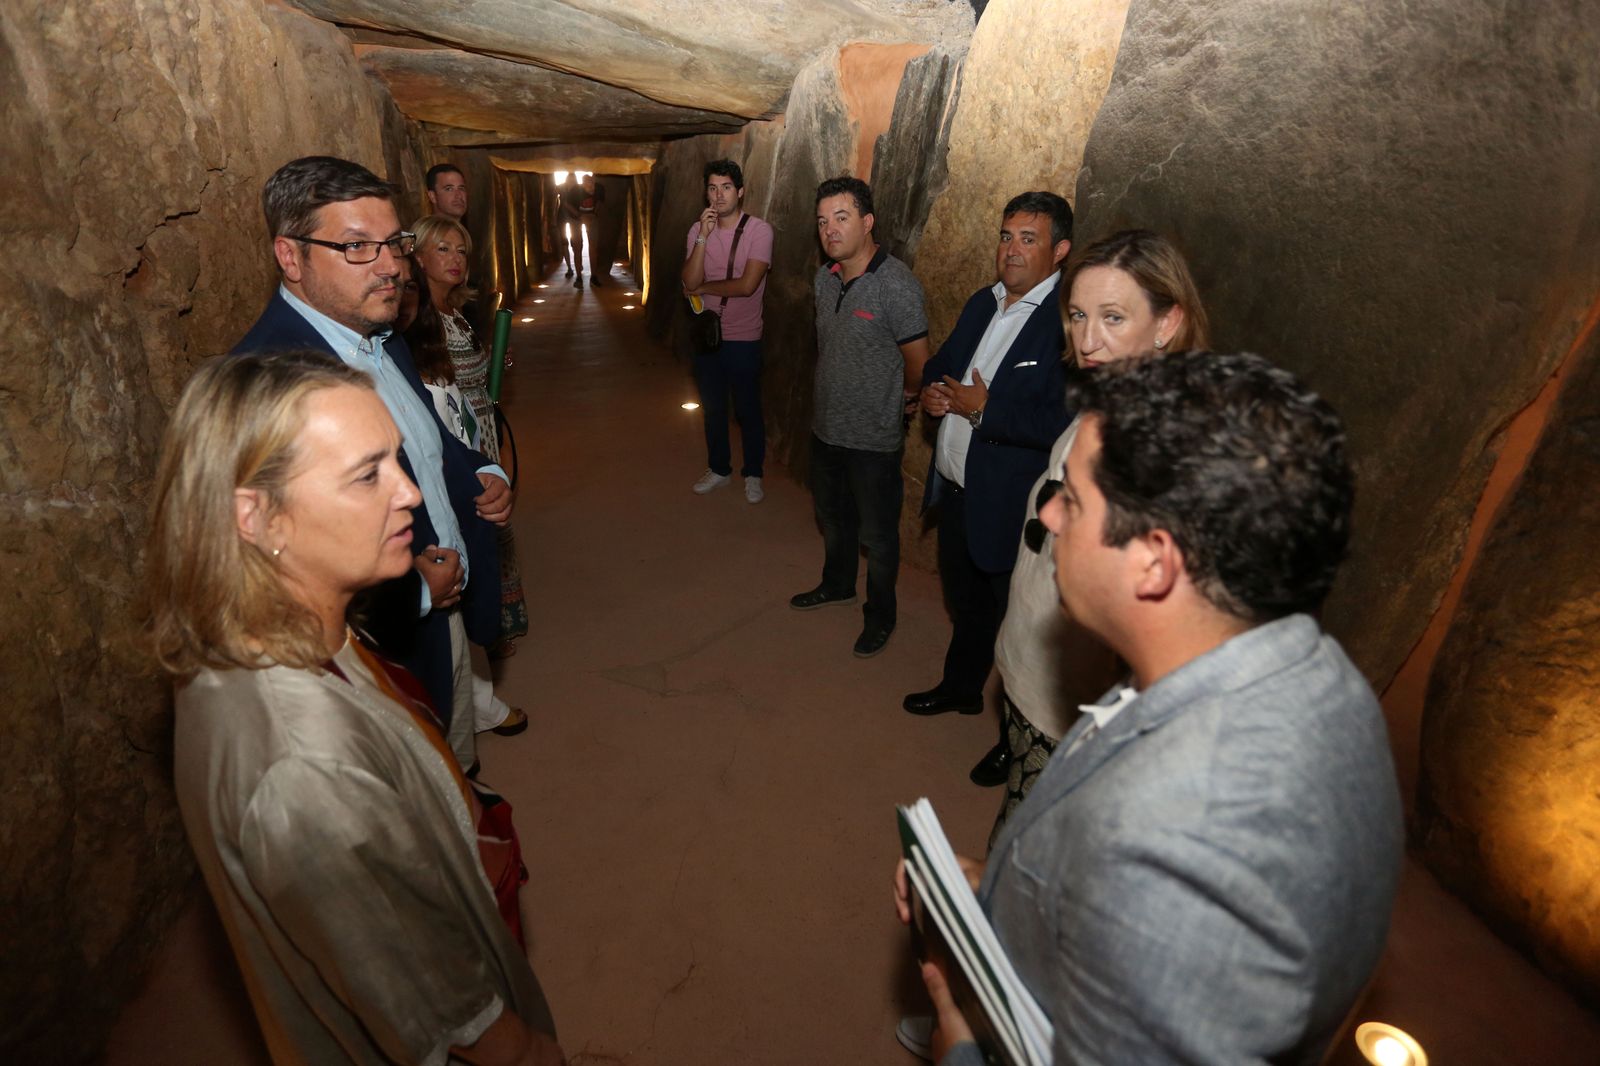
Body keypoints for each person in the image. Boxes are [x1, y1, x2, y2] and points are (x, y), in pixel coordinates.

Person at [896, 350, 1404, 1066]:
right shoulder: (1308, 667)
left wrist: (962, 1050)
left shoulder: (1175, 854)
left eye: (1070, 498)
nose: (1046, 513)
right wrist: (1003, 894)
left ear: (1154, 562)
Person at [144, 350, 563, 1066]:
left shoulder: (287, 631)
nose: (407, 493)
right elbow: (432, 1001)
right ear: (258, 516)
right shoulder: (302, 768)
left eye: (396, 460)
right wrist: (523, 1050)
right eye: (367, 474)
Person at [232, 155, 511, 770]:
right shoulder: (268, 385)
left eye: (394, 243)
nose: (390, 266)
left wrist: (477, 471)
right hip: (381, 654)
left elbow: (423, 438)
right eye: (357, 246)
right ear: (290, 255)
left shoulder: (379, 336)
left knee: (455, 774)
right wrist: (413, 589)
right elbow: (271, 576)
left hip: (444, 612)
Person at [988, 229, 1211, 833]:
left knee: (1028, 853)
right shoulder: (1105, 398)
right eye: (1080, 315)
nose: (1088, 340)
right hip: (1038, 664)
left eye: (1113, 317)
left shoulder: (1161, 446)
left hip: (1075, 702)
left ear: (1168, 322)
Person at [903, 192, 1075, 790]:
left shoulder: (1065, 325)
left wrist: (987, 410)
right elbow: (942, 364)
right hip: (956, 489)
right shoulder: (985, 301)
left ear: (1060, 251)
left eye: (1029, 239)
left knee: (1016, 627)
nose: (1012, 249)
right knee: (967, 604)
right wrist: (932, 394)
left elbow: (1062, 424)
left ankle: (1013, 743)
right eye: (1007, 236)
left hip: (1009, 505)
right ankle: (959, 689)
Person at [792, 176, 930, 658]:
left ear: (868, 222)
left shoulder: (896, 284)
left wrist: (908, 398)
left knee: (878, 535)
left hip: (873, 438)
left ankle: (881, 615)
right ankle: (837, 584)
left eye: (842, 218)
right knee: (832, 516)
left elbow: (918, 359)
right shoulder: (824, 278)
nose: (830, 230)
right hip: (826, 427)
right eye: (823, 221)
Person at [408, 213, 532, 737]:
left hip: (474, 438)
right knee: (466, 544)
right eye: (443, 249)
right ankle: (472, 686)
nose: (456, 258)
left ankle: (491, 630)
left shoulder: (453, 312)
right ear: (417, 256)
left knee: (488, 536)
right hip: (450, 449)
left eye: (461, 249)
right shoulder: (414, 323)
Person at [681, 159, 774, 503]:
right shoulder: (697, 231)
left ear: (741, 191)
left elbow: (748, 285)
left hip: (745, 335)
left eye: (726, 188)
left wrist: (705, 287)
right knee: (713, 407)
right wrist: (703, 239)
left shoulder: (759, 231)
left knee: (748, 408)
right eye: (712, 188)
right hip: (708, 335)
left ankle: (754, 472)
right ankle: (719, 468)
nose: (718, 196)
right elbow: (687, 282)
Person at [560, 173, 606, 288]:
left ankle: (594, 276)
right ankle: (579, 277)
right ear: (583, 185)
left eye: (593, 186)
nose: (591, 189)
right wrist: (580, 216)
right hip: (575, 217)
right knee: (577, 246)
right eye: (588, 187)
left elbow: (600, 202)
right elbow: (566, 204)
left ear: (594, 182)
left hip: (592, 216)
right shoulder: (575, 191)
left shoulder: (599, 188)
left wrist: (594, 214)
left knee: (593, 246)